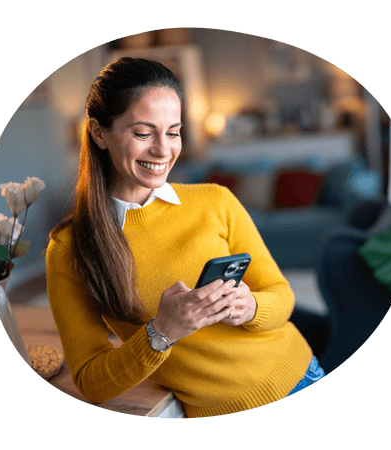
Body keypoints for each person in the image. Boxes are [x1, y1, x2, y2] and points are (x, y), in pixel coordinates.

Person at [46, 57, 324, 418]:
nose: (163, 150)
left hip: (299, 373)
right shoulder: (70, 248)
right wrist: (161, 332)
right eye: (143, 133)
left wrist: (251, 307)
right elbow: (90, 381)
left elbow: (282, 294)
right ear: (99, 133)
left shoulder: (215, 200)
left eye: (173, 132)